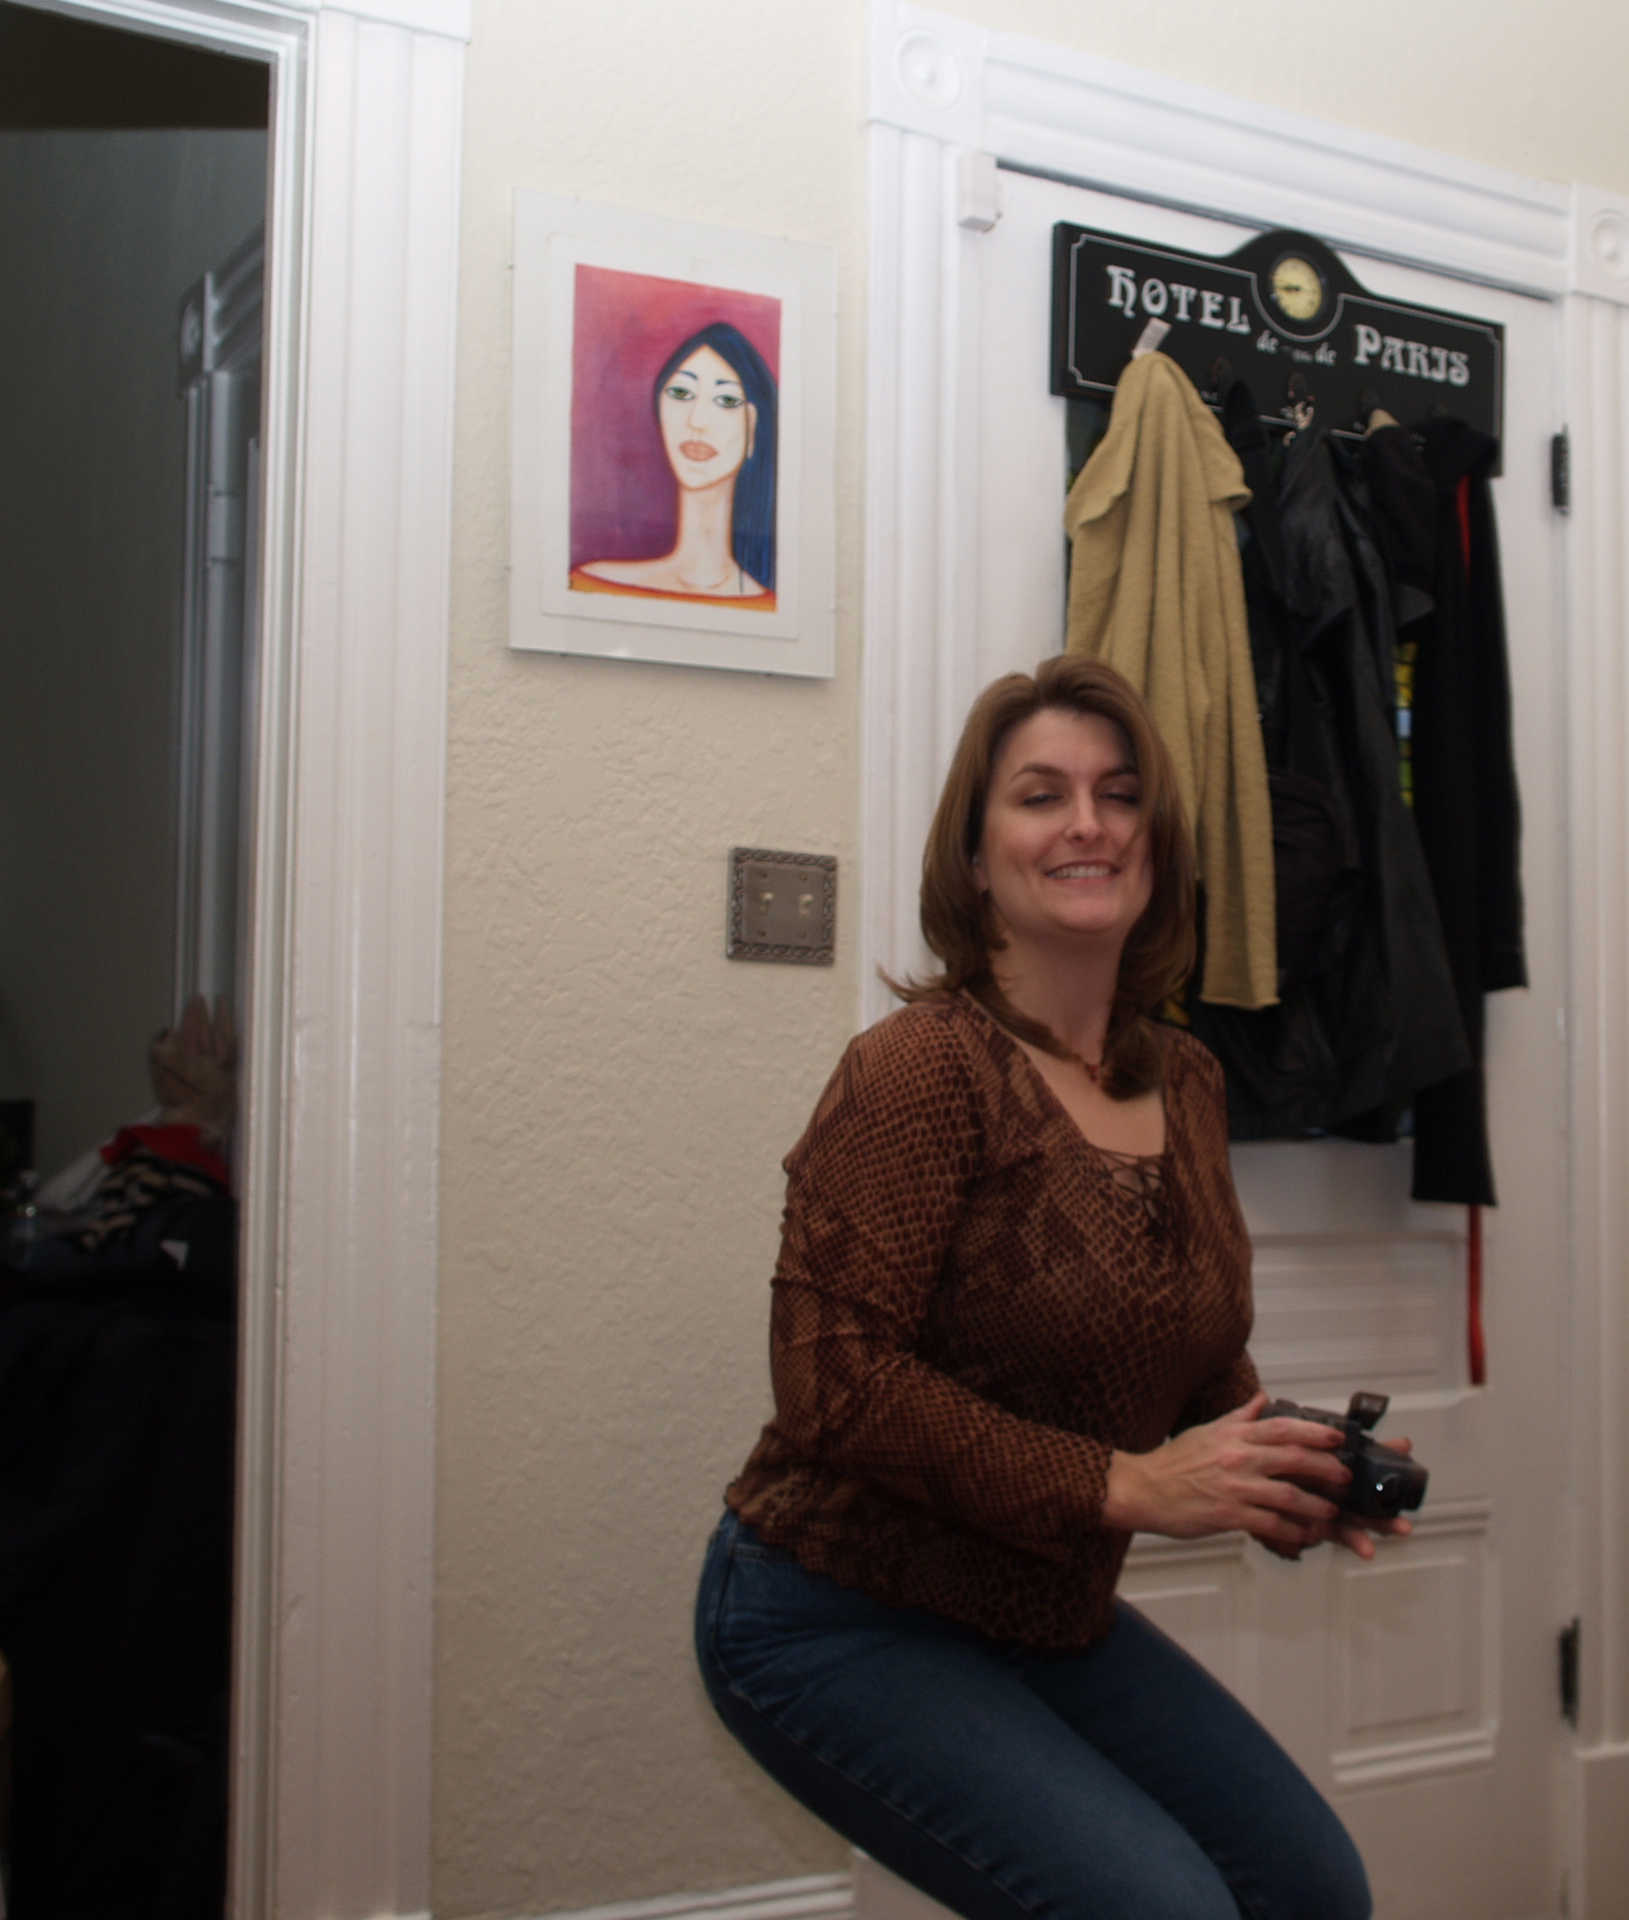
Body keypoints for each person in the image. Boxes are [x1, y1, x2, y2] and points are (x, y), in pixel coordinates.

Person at [694, 655, 1396, 1920]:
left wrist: (1280, 1466)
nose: (1088, 823)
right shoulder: (922, 1070)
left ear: (1155, 842)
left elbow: (1189, 1353)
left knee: (1312, 1887)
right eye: (1040, 795)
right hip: (834, 1610)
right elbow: (830, 1385)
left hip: (1044, 1610)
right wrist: (1123, 1485)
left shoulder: (1186, 1079)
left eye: (1120, 795)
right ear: (975, 858)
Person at [573, 319, 778, 605]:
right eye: (681, 393)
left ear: (753, 426)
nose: (696, 421)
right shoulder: (588, 584)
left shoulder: (769, 606)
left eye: (727, 400)